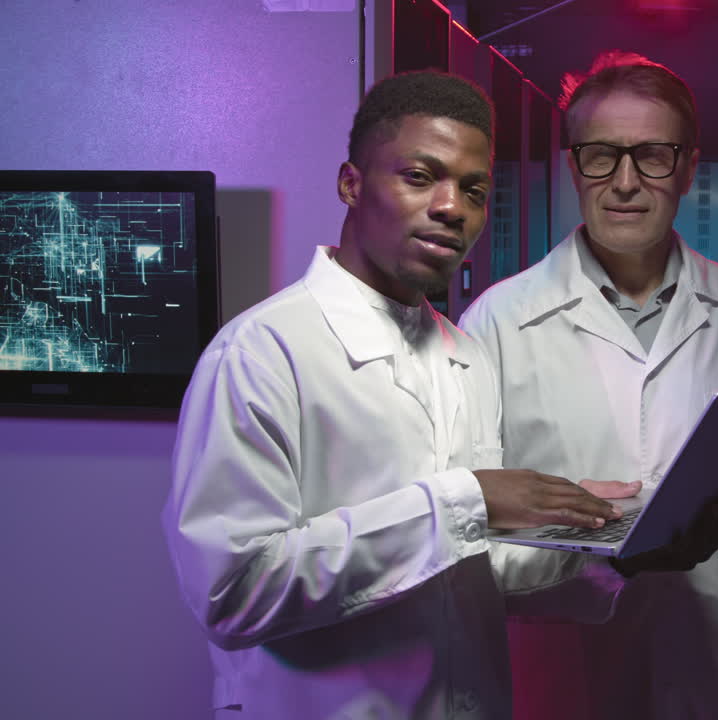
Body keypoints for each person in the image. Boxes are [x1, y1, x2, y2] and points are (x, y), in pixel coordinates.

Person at [161, 70, 657, 720]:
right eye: (420, 176)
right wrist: (466, 498)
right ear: (351, 183)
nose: (452, 207)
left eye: (474, 190)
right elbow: (232, 593)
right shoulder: (263, 353)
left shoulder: (465, 356)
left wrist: (608, 543)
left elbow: (472, 569)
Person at [459, 51, 718, 719]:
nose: (625, 181)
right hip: (564, 665)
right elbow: (459, 509)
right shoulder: (498, 322)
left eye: (652, 154)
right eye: (601, 155)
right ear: (573, 167)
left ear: (687, 169)